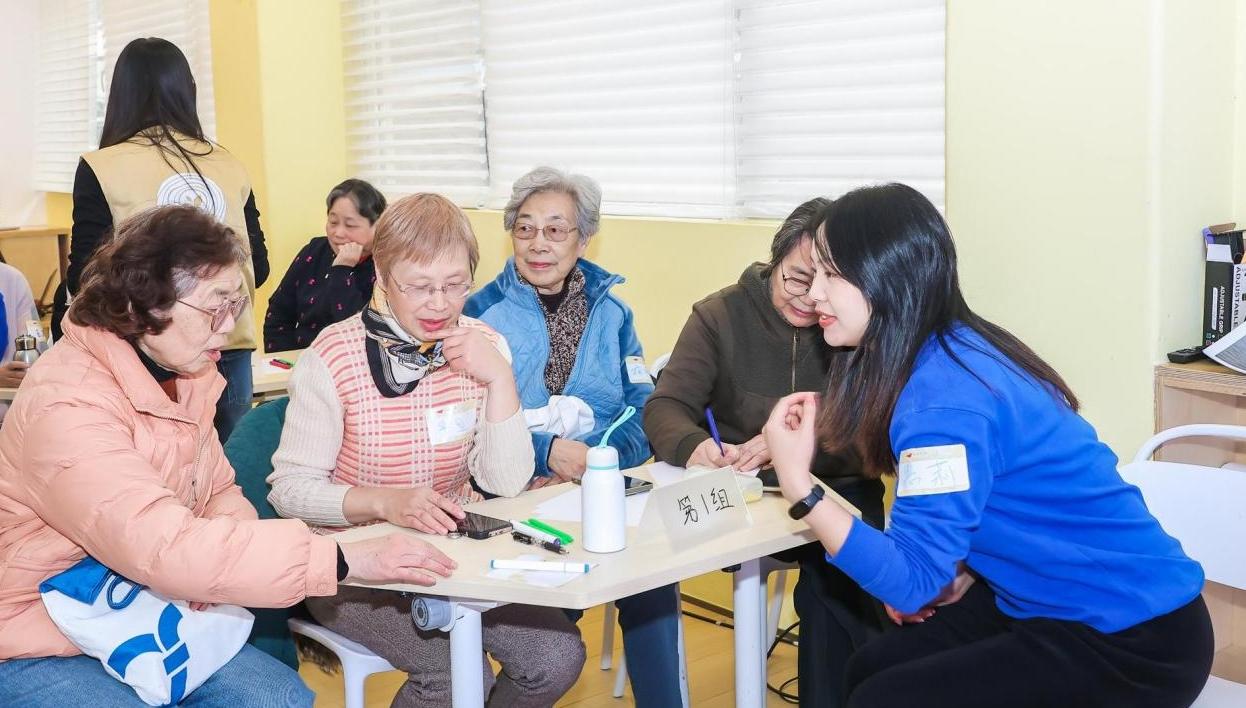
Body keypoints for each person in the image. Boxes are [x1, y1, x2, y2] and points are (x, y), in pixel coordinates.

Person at [764, 183, 1213, 708]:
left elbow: (912, 582)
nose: (814, 294)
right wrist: (958, 569)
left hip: (1134, 640)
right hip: (1048, 602)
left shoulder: (943, 402)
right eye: (814, 274)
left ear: (889, 276)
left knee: (884, 696)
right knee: (871, 667)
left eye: (831, 275)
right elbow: (960, 522)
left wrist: (800, 485)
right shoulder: (948, 350)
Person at [0, 205, 458, 707]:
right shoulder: (68, 405)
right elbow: (163, 546)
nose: (229, 329)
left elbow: (218, 492)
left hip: (140, 603)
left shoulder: (186, 376)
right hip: (36, 631)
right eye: (214, 309)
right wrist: (344, 559)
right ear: (139, 306)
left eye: (235, 305)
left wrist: (209, 576)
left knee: (281, 698)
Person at [268, 193, 585, 708]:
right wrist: (384, 502)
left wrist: (499, 378)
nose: (440, 304)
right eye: (419, 287)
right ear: (382, 278)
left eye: (456, 285)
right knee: (455, 677)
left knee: (555, 658)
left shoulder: (482, 346)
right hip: (355, 566)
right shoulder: (332, 356)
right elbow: (290, 492)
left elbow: (505, 483)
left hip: (457, 554)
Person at [643, 197, 883, 706]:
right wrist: (697, 447)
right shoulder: (719, 315)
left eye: (826, 282)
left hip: (834, 491)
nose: (810, 298)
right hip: (740, 495)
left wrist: (794, 451)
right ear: (775, 260)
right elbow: (665, 406)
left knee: (835, 580)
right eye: (797, 279)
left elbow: (871, 438)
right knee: (648, 553)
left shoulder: (854, 325)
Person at [465, 166, 683, 707]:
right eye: (525, 228)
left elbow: (641, 405)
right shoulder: (477, 313)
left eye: (556, 230)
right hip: (510, 491)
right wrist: (547, 453)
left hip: (599, 481)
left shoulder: (614, 312)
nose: (538, 243)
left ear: (584, 239)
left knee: (653, 578)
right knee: (553, 605)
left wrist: (599, 458)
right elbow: (465, 422)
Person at [59, 37, 269, 441]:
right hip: (227, 346)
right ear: (187, 91)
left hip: (143, 354)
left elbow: (84, 277)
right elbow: (256, 268)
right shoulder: (227, 163)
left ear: (119, 95)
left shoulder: (101, 167)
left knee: (150, 469)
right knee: (227, 468)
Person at [264, 178, 385, 352]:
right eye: (333, 222)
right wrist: (288, 358)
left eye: (350, 225)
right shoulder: (314, 251)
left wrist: (342, 270)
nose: (338, 233)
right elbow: (278, 313)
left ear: (377, 226)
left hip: (356, 361)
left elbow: (356, 327)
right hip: (303, 358)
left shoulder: (386, 266)